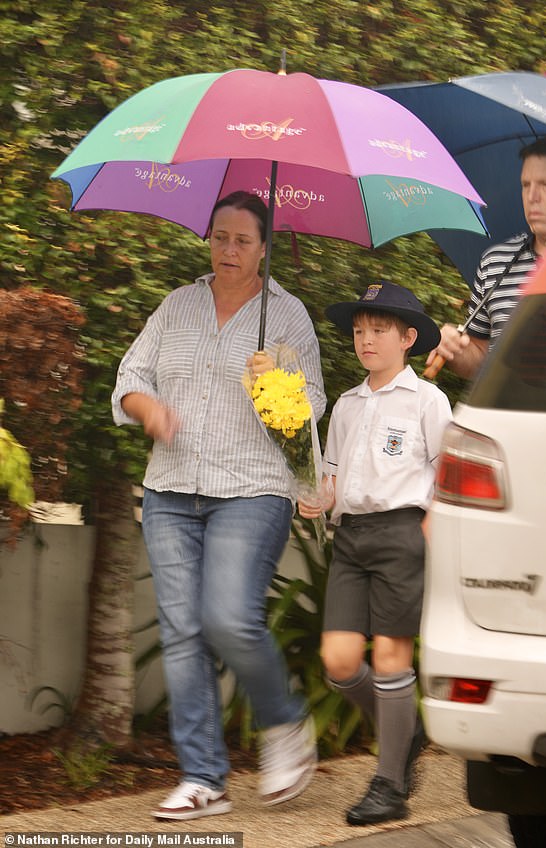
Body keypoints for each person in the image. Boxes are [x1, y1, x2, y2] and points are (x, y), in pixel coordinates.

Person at [111, 191, 326, 820]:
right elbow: (131, 376)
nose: (228, 249)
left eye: (241, 239)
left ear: (263, 247)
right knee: (182, 633)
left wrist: (276, 385)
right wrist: (147, 408)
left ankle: (285, 723)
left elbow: (310, 408)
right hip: (171, 488)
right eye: (219, 237)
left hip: (251, 488)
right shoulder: (177, 305)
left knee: (228, 619)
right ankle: (204, 779)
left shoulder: (287, 317)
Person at [298, 281, 452, 826]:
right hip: (353, 539)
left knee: (391, 658)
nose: (365, 340)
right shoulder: (346, 403)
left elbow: (447, 471)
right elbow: (334, 474)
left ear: (408, 338)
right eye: (360, 331)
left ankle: (389, 786)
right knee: (340, 663)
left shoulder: (428, 401)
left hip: (402, 535)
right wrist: (318, 496)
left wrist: (428, 529)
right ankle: (402, 735)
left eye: (378, 330)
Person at [427, 135, 546, 379]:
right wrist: (457, 352)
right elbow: (479, 360)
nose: (532, 197)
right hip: (506, 415)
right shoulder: (496, 261)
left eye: (545, 184)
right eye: (526, 185)